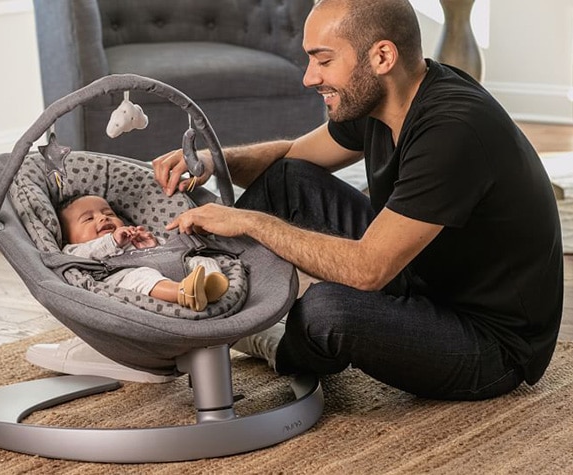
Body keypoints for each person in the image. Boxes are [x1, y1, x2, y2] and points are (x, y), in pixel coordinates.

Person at [152, 0, 563, 400]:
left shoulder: (453, 130)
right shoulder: (390, 97)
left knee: (324, 310)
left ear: (382, 56)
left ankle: (275, 344)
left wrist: (252, 223)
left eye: (324, 60)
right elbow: (292, 156)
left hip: (491, 342)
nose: (309, 78)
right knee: (286, 179)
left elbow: (368, 271)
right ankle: (190, 292)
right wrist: (211, 159)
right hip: (423, 275)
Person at [58, 194, 229, 311]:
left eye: (108, 213)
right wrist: (112, 241)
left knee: (200, 260)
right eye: (89, 219)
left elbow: (171, 251)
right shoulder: (73, 249)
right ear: (69, 237)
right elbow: (77, 257)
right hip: (128, 276)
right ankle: (183, 293)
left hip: (171, 269)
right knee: (142, 275)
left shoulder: (132, 238)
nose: (103, 218)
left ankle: (210, 286)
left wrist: (153, 246)